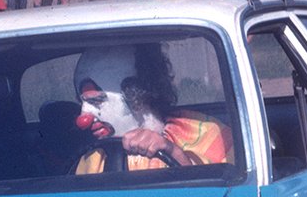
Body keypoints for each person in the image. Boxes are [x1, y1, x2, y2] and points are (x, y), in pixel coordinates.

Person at [73, 44, 234, 173]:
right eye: (82, 103)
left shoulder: (204, 133)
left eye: (96, 101)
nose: (83, 117)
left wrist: (172, 151)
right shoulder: (93, 157)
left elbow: (217, 196)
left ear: (136, 95)